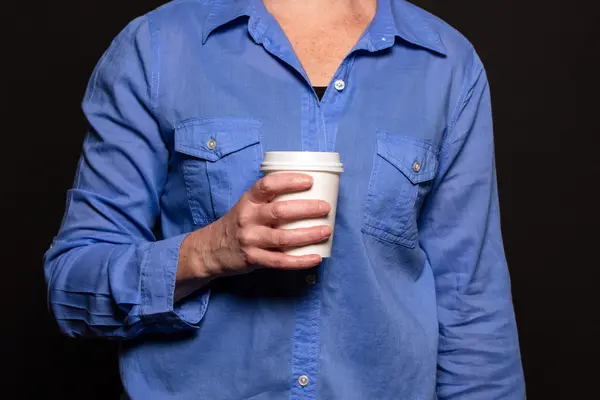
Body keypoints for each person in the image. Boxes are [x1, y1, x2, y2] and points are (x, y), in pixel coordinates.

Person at [44, 0, 525, 398]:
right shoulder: (158, 48)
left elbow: (474, 312)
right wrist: (210, 251)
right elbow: (71, 287)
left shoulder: (446, 65)